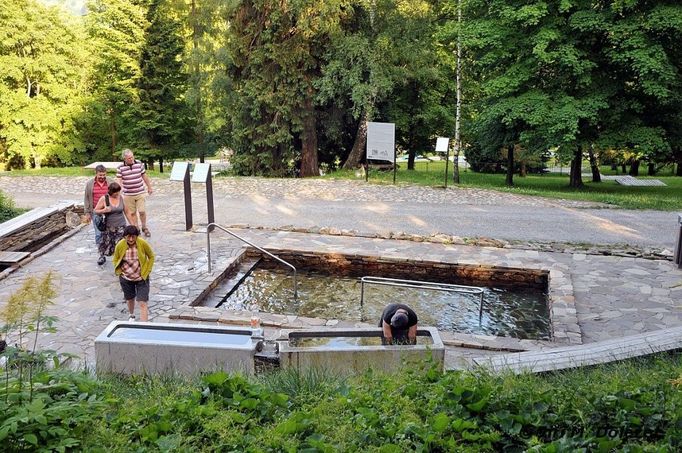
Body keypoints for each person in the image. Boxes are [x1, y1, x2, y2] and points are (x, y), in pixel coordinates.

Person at [113, 225, 155, 322]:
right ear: (125, 236)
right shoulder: (120, 245)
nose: (131, 239)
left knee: (142, 302)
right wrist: (119, 271)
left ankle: (144, 326)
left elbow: (151, 256)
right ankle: (131, 315)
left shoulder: (142, 243)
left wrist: (148, 270)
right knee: (130, 298)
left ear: (137, 236)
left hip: (141, 278)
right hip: (126, 278)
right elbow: (115, 258)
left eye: (133, 236)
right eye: (128, 236)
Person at [116, 148, 153, 237]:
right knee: (132, 213)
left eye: (132, 157)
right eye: (129, 158)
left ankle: (144, 227)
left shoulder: (139, 164)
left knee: (142, 211)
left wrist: (149, 187)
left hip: (140, 192)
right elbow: (119, 180)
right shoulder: (120, 167)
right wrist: (118, 191)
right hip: (128, 194)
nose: (131, 159)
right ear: (124, 159)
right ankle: (136, 228)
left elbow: (144, 176)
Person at [93, 182, 127, 265]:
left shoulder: (121, 198)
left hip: (121, 225)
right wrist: (104, 210)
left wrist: (133, 224)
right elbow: (95, 211)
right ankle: (102, 256)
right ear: (111, 192)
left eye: (118, 192)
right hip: (109, 226)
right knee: (106, 243)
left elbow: (127, 211)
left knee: (121, 243)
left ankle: (121, 258)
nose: (117, 194)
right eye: (115, 193)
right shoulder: (104, 199)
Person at [83, 165, 112, 259]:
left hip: (109, 212)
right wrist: (87, 213)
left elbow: (116, 195)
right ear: (96, 174)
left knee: (110, 233)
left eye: (104, 175)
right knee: (98, 234)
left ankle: (111, 251)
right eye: (100, 175)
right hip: (96, 212)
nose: (102, 177)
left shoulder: (111, 182)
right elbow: (86, 198)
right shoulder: (90, 184)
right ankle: (101, 254)